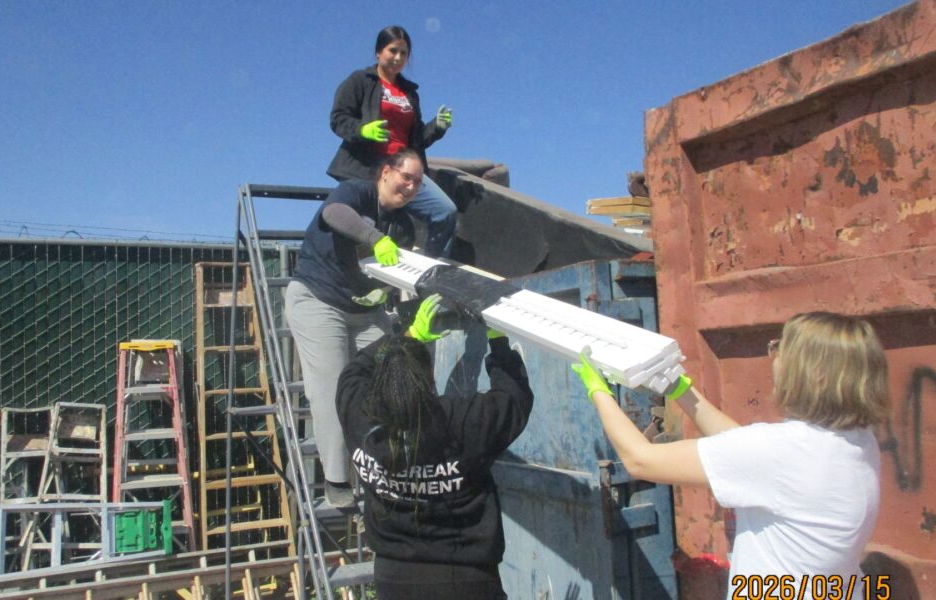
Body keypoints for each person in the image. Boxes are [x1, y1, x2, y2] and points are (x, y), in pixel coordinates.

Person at [571, 312, 890, 599]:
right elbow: (746, 448)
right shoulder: (856, 441)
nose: (774, 356)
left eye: (780, 347)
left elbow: (641, 459)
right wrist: (680, 390)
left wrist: (597, 390)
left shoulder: (781, 451)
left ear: (810, 373)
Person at [336, 294, 533, 599]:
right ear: (429, 377)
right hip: (466, 580)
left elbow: (354, 372)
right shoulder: (458, 421)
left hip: (393, 581)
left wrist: (407, 337)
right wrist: (497, 339)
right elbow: (513, 399)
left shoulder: (360, 417)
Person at [285, 148, 423, 508]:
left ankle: (381, 466)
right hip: (318, 300)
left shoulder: (404, 225)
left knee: (388, 379)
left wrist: (384, 291)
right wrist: (374, 238)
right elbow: (333, 214)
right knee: (332, 386)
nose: (411, 187)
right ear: (386, 172)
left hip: (365, 310)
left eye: (418, 183)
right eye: (406, 177)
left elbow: (394, 272)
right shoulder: (356, 192)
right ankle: (336, 479)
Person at [327, 25, 457, 258]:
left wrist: (436, 127)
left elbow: (417, 140)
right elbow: (338, 119)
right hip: (366, 168)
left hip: (403, 168)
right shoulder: (360, 80)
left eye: (404, 53)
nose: (398, 57)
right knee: (365, 230)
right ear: (379, 52)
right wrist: (362, 130)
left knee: (445, 210)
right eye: (392, 50)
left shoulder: (409, 93)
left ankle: (431, 274)